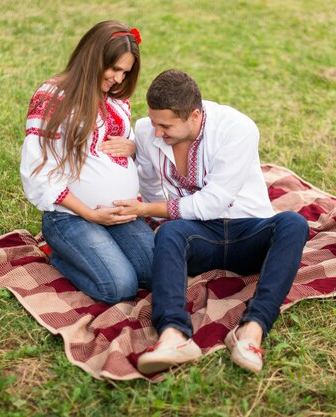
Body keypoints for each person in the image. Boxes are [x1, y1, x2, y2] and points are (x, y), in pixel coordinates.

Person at [114, 70, 310, 374]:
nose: (156, 133)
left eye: (165, 125)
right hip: (199, 237)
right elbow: (153, 190)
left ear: (194, 115)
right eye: (153, 123)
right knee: (169, 232)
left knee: (294, 225)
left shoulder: (236, 128)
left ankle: (251, 331)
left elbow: (213, 202)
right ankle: (174, 336)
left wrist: (146, 208)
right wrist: (147, 210)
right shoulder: (145, 131)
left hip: (248, 231)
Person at [20, 21, 154, 305]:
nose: (119, 79)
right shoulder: (53, 98)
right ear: (94, 58)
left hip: (118, 214)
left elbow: (121, 141)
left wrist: (132, 145)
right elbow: (38, 171)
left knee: (155, 272)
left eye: (125, 72)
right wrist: (92, 215)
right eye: (115, 69)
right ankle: (59, 256)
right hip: (71, 216)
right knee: (120, 287)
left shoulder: (115, 99)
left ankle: (98, 250)